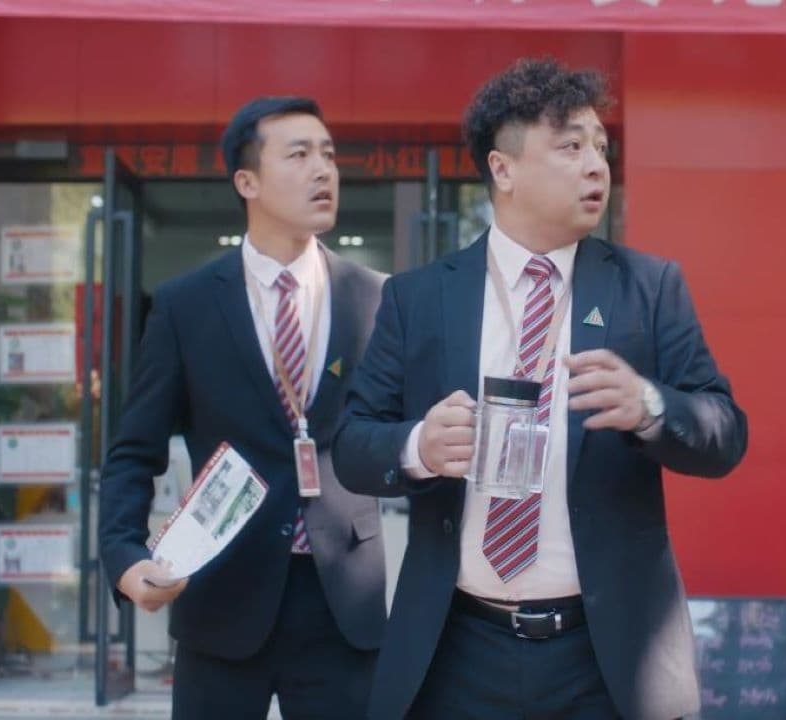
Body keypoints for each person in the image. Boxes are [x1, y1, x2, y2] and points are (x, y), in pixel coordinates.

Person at [332, 58, 748, 720]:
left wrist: (650, 407)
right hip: (457, 649)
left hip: (606, 656)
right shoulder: (420, 298)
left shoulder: (648, 288)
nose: (596, 167)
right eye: (570, 147)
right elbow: (353, 445)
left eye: (601, 148)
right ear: (504, 170)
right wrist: (418, 447)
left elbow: (725, 434)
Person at [98, 96, 387, 719]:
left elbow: (400, 437)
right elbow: (134, 451)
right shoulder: (185, 305)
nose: (323, 170)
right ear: (247, 181)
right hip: (221, 598)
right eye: (299, 155)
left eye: (329, 155)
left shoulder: (375, 298)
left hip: (344, 605)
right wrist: (125, 556)